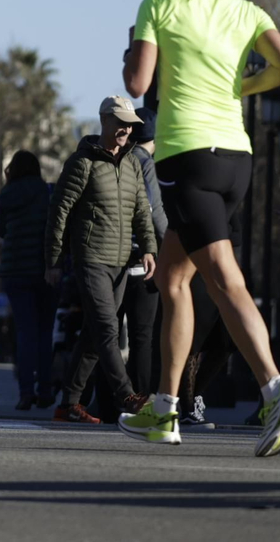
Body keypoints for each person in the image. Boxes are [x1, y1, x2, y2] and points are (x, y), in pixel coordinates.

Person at [118, 0, 280, 456]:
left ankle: (275, 390)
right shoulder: (246, 10)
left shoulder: (159, 5)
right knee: (174, 280)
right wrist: (245, 84)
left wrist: (137, 51)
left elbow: (137, 84)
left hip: (187, 157)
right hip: (236, 160)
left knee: (225, 281)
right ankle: (163, 407)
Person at [45, 96, 158, 424]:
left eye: (130, 124)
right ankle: (127, 395)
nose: (126, 129)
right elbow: (59, 212)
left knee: (94, 335)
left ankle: (68, 403)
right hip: (91, 258)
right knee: (108, 329)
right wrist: (53, 260)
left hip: (122, 262)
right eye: (120, 122)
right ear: (104, 120)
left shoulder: (132, 163)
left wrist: (149, 248)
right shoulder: (82, 163)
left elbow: (141, 211)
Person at [0, 150, 53, 410]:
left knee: (25, 332)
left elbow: (1, 231)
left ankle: (25, 392)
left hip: (15, 271)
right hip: (43, 272)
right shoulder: (46, 193)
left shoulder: (5, 197)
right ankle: (46, 390)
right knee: (44, 333)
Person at [123, 114, 165, 398]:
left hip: (112, 258)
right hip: (141, 259)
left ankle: (108, 400)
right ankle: (139, 398)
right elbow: (153, 211)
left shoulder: (118, 159)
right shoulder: (146, 163)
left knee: (108, 336)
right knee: (142, 336)